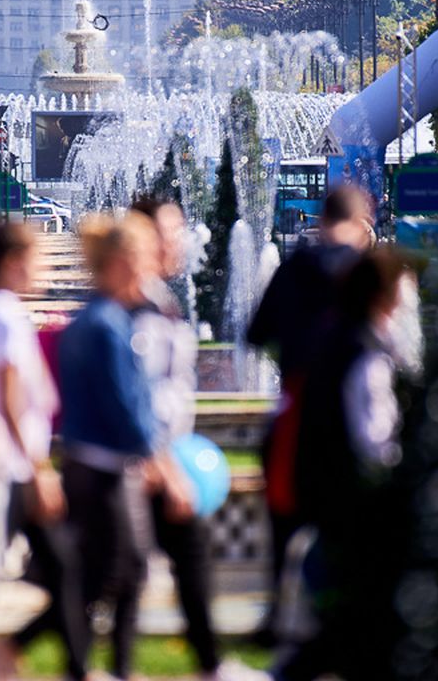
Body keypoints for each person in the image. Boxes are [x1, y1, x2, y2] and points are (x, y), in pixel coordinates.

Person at [131, 199, 266, 681]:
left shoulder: (158, 301)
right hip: (148, 463)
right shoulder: (140, 310)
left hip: (159, 460)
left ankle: (206, 664)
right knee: (117, 573)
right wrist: (162, 464)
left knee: (163, 567)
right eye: (170, 230)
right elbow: (139, 399)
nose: (181, 239)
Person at [58, 213, 192, 680]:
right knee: (117, 570)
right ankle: (102, 668)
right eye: (138, 261)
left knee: (108, 571)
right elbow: (127, 409)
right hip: (103, 470)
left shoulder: (96, 320)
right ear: (117, 263)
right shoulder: (106, 327)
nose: (146, 272)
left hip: (94, 466)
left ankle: (105, 667)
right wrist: (166, 468)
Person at [273, 247, 415, 681]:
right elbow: (375, 442)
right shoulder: (365, 351)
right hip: (355, 512)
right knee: (355, 625)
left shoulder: (334, 338)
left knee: (341, 630)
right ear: (387, 295)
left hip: (329, 503)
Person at [0, 223, 90, 681]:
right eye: (37, 258)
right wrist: (39, 470)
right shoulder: (3, 314)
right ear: (13, 261)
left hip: (12, 467)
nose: (42, 268)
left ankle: (72, 665)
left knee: (64, 567)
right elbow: (10, 398)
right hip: (11, 469)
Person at [245, 185, 374, 640]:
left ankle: (278, 616)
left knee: (286, 524)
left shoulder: (296, 268)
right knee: (348, 529)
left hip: (297, 417)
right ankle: (348, 619)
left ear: (321, 222)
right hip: (355, 420)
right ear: (364, 224)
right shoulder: (370, 271)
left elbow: (256, 335)